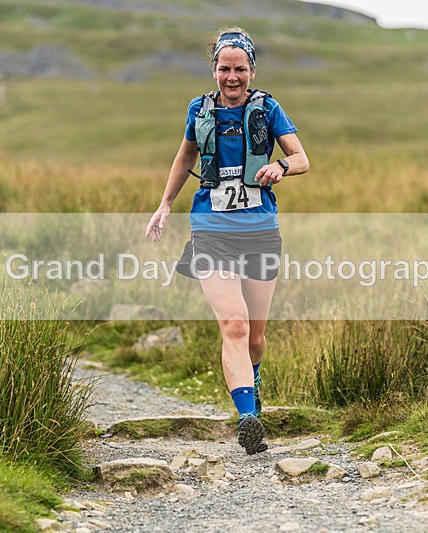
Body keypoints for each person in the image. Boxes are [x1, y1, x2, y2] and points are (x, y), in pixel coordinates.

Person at [145, 27, 309, 455]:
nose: (231, 77)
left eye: (239, 68)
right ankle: (247, 417)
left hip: (259, 230)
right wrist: (164, 205)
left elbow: (302, 158)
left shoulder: (268, 108)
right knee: (233, 324)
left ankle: (253, 385)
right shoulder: (198, 111)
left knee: (255, 335)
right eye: (223, 68)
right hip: (211, 229)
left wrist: (280, 167)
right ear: (214, 69)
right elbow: (185, 158)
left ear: (252, 70)